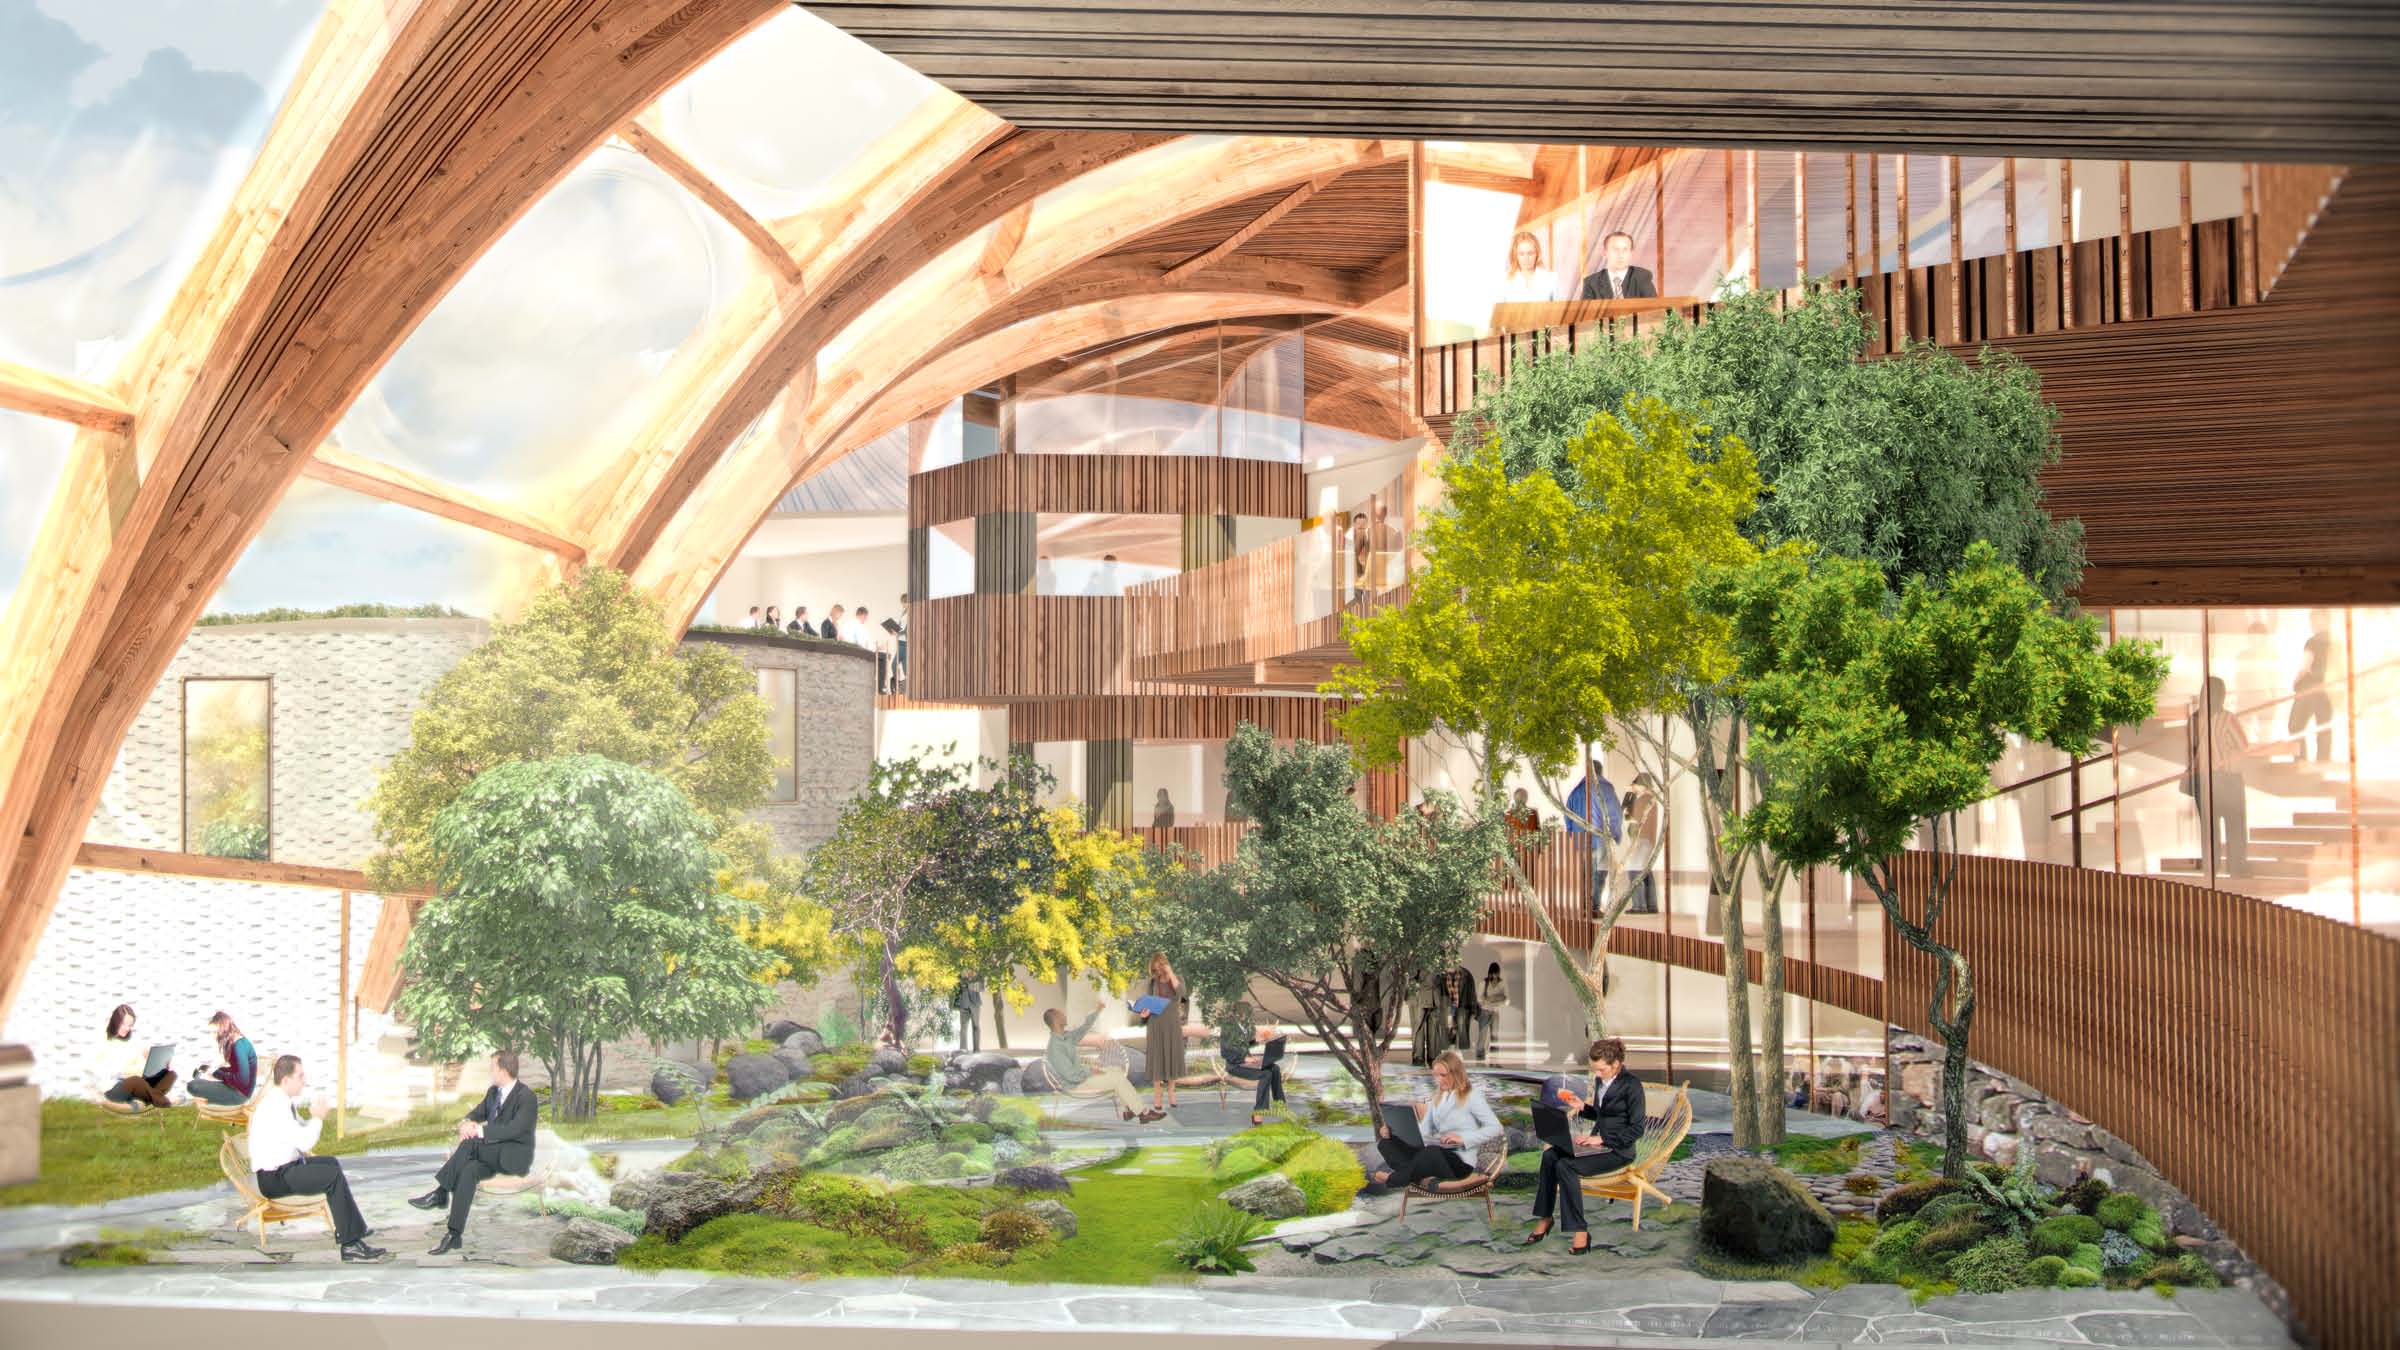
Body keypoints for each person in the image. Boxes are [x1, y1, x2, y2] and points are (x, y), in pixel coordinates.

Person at [249, 1054, 385, 1261]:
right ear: (286, 1080)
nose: (304, 1080)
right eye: (300, 1076)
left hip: (282, 1170)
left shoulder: (280, 1101)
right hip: (275, 1178)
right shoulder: (275, 1106)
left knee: (331, 1163)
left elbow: (300, 1129)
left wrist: (313, 1118)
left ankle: (349, 1228)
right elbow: (304, 1142)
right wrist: (318, 1118)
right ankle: (350, 1244)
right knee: (331, 1176)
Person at [1526, 1036, 1647, 1254]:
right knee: (1550, 1156)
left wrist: (1602, 1139)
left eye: (1600, 1070)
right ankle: (1545, 1218)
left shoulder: (1632, 1086)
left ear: (1616, 1065)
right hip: (1598, 1146)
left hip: (1618, 1151)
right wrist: (1582, 1107)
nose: (1596, 1075)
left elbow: (1637, 1129)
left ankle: (1580, 1231)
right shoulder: (1603, 1081)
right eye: (1594, 1070)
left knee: (1566, 1166)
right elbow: (1603, 1116)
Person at [410, 1050, 538, 1256]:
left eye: (492, 1068)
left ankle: (440, 1193)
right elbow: (477, 1113)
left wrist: (478, 1130)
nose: (490, 1072)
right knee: (468, 1171)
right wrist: (467, 1123)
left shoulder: (526, 1097)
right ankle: (454, 1235)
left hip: (514, 1157)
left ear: (503, 1071)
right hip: (491, 1155)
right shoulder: (493, 1092)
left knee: (471, 1144)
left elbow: (515, 1129)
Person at [1372, 1049, 1499, 1193]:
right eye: (1436, 1075)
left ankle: (1394, 1179)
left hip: (1459, 1164)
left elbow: (1495, 1128)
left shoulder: (1472, 1097)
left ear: (1456, 1073)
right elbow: (1425, 1132)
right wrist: (1393, 1133)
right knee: (1385, 1144)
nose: (1438, 1080)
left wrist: (1463, 1139)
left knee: (1430, 1152)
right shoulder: (1438, 1098)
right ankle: (1421, 1177)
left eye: (1443, 1075)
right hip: (1436, 1155)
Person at [1042, 1005, 1160, 1122]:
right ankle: (1143, 1113)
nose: (1064, 1015)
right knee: (1117, 1079)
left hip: (1081, 1077)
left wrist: (1097, 1010)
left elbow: (1084, 1028)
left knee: (1116, 1070)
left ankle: (1130, 1109)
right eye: (1061, 1014)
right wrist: (1091, 1071)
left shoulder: (1066, 1037)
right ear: (1056, 1020)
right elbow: (1071, 1076)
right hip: (1075, 1083)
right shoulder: (1055, 1047)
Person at [2200, 675, 2252, 877]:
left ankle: (2210, 869)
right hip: (2228, 779)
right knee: (2235, 826)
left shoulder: (2198, 720)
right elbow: (2243, 745)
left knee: (2210, 829)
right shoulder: (2227, 719)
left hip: (2207, 781)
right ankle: (2237, 868)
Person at [96, 1003, 175, 1109]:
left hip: (133, 1084)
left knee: (170, 1075)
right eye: (124, 1024)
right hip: (113, 1088)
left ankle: (148, 1098)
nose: (127, 1028)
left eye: (130, 1025)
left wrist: (157, 1062)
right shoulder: (106, 1042)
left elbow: (142, 1054)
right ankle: (165, 1102)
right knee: (136, 1081)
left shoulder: (131, 1041)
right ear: (115, 1021)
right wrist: (137, 1072)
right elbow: (118, 1070)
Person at [1140, 953, 1188, 1114]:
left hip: (1172, 1024)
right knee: (1156, 1057)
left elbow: (1181, 993)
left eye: (1159, 967)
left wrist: (1171, 973)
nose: (1157, 971)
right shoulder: (1152, 982)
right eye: (1154, 969)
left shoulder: (1177, 977)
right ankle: (1157, 1095)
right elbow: (1147, 1002)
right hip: (1155, 1024)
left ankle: (1171, 1092)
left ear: (1164, 964)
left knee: (1172, 1056)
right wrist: (1143, 1014)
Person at [2290, 611, 2334, 761]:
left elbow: (2305, 666)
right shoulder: (2335, 641)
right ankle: (2323, 761)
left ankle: (2300, 761)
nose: (2312, 623)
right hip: (2328, 689)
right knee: (2323, 727)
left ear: (2325, 619)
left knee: (2295, 726)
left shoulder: (2313, 642)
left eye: (2314, 619)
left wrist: (2295, 682)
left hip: (2309, 689)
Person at [189, 1010, 257, 1106]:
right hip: (239, 1090)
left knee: (193, 1086)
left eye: (215, 1032)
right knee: (198, 1082)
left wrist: (217, 1074)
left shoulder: (239, 1046)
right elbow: (237, 1071)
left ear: (223, 1030)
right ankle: (209, 1101)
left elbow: (242, 1081)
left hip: (240, 1095)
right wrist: (220, 1070)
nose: (213, 1036)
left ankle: (209, 1101)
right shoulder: (238, 1042)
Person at [1578, 230, 1658, 300]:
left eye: (1625, 250)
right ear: (1605, 253)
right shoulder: (1591, 283)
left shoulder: (1642, 277)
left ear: (1631, 253)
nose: (1620, 255)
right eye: (1615, 249)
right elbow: (1586, 315)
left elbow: (1655, 310)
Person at [1499, 230, 1560, 303]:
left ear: (1537, 254)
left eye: (1530, 253)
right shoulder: (1504, 280)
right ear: (1515, 255)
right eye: (1521, 254)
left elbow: (1559, 311)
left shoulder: (1551, 278)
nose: (1526, 258)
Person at [1476, 962, 1510, 1063]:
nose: (1494, 976)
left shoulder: (1502, 983)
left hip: (1495, 1011)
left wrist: (1495, 1000)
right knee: (1483, 1035)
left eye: (1496, 974)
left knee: (1495, 1035)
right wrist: (1491, 1000)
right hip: (1485, 1012)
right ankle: (1480, 1057)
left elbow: (1507, 999)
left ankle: (1494, 1057)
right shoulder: (1484, 983)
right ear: (1489, 973)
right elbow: (1479, 999)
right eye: (1492, 974)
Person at [953, 976, 985, 1053]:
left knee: (976, 1026)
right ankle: (963, 1049)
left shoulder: (978, 973)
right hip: (964, 1003)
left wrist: (969, 985)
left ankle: (976, 1049)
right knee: (963, 1028)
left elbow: (982, 987)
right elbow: (956, 988)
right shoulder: (959, 972)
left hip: (975, 1003)